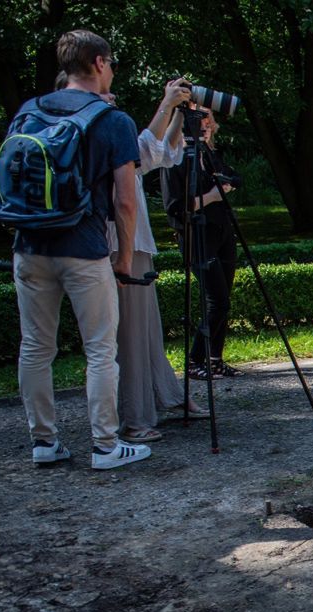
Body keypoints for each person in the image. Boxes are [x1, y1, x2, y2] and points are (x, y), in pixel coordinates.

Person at [12, 30, 150, 470]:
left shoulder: (29, 111)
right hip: (83, 248)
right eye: (110, 63)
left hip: (29, 246)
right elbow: (125, 201)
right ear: (97, 62)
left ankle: (44, 442)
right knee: (99, 350)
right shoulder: (112, 121)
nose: (111, 71)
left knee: (35, 347)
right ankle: (106, 446)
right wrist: (124, 259)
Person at [102, 77, 199, 442]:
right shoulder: (102, 133)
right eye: (105, 92)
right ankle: (135, 416)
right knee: (130, 334)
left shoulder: (109, 133)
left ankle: (163, 395)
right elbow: (145, 150)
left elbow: (159, 153)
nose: (112, 96)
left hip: (134, 241)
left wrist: (176, 114)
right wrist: (166, 105)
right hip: (118, 242)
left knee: (147, 330)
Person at [163, 104, 239, 379]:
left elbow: (235, 177)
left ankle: (215, 358)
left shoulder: (212, 156)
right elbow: (175, 207)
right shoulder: (176, 161)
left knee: (224, 299)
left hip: (221, 232)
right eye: (200, 123)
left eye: (208, 123)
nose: (205, 128)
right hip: (197, 236)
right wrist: (212, 196)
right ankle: (195, 359)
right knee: (216, 300)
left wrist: (225, 184)